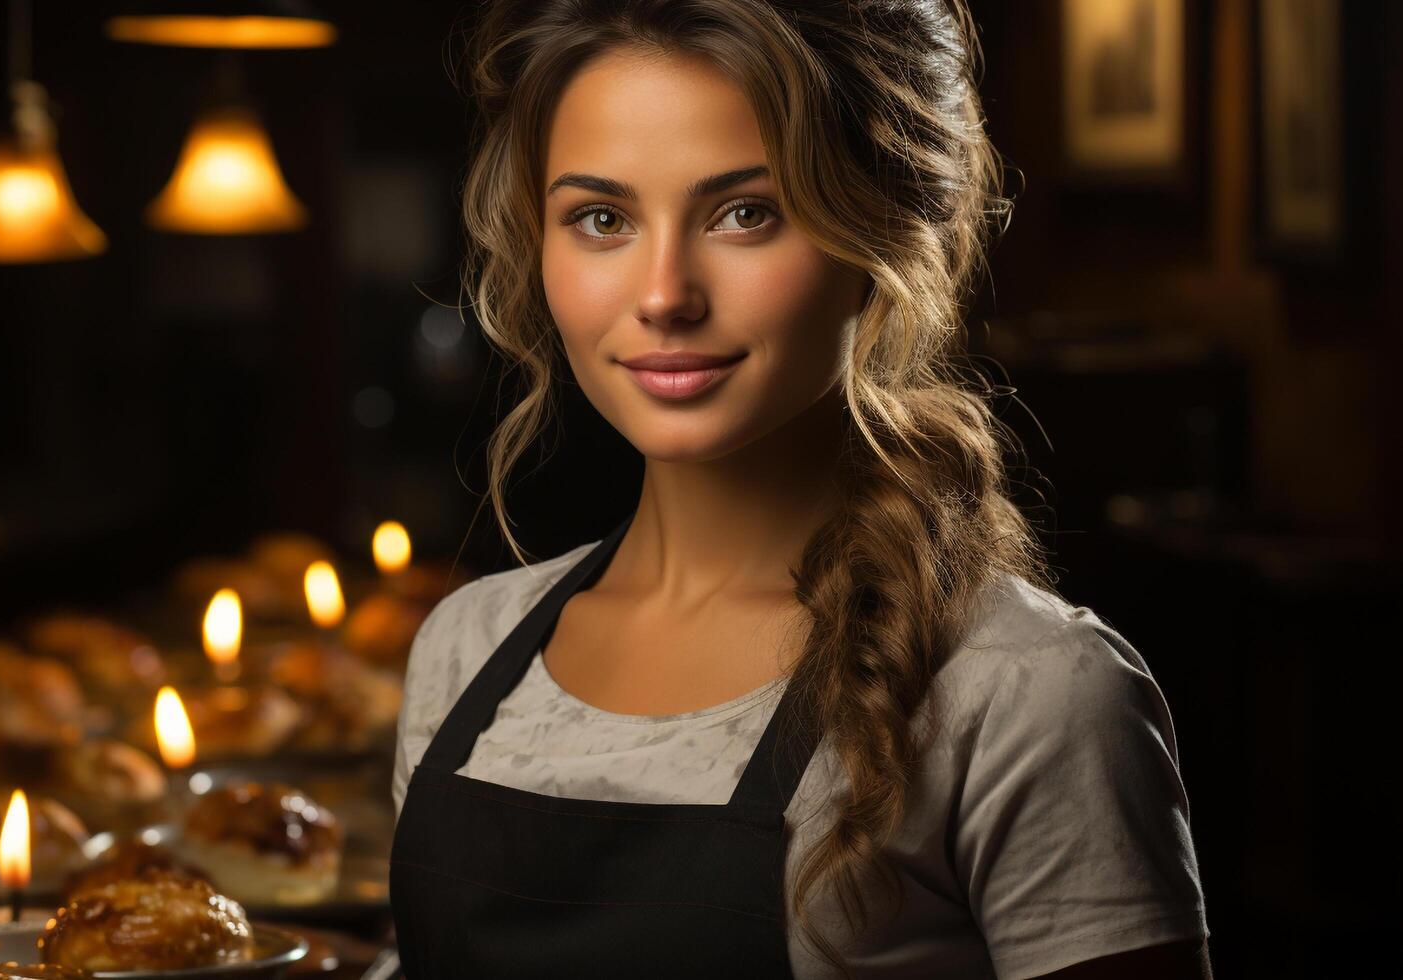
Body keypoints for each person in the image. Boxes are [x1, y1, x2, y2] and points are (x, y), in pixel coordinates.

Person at [389, 1, 1212, 977]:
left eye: (745, 212)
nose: (662, 294)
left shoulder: (1024, 693)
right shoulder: (464, 649)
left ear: (879, 236)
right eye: (600, 219)